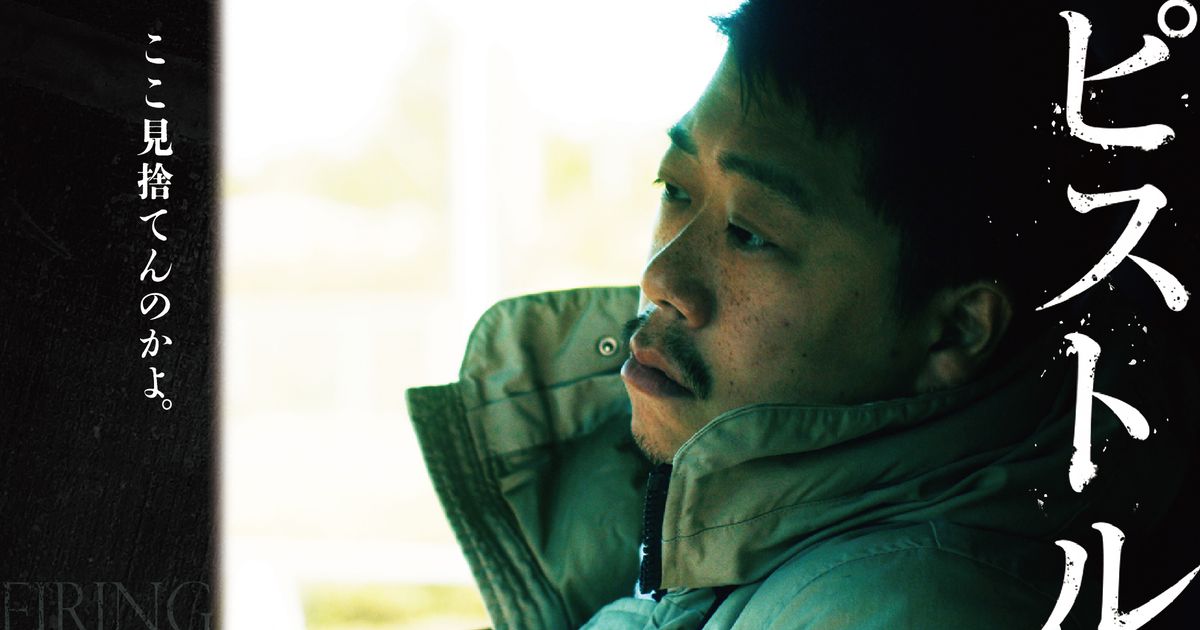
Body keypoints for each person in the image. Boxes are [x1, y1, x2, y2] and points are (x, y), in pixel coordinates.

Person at [407, 0, 1200, 627]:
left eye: (750, 233)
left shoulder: (904, 609)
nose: (661, 278)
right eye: (676, 189)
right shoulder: (746, 560)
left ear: (953, 330)